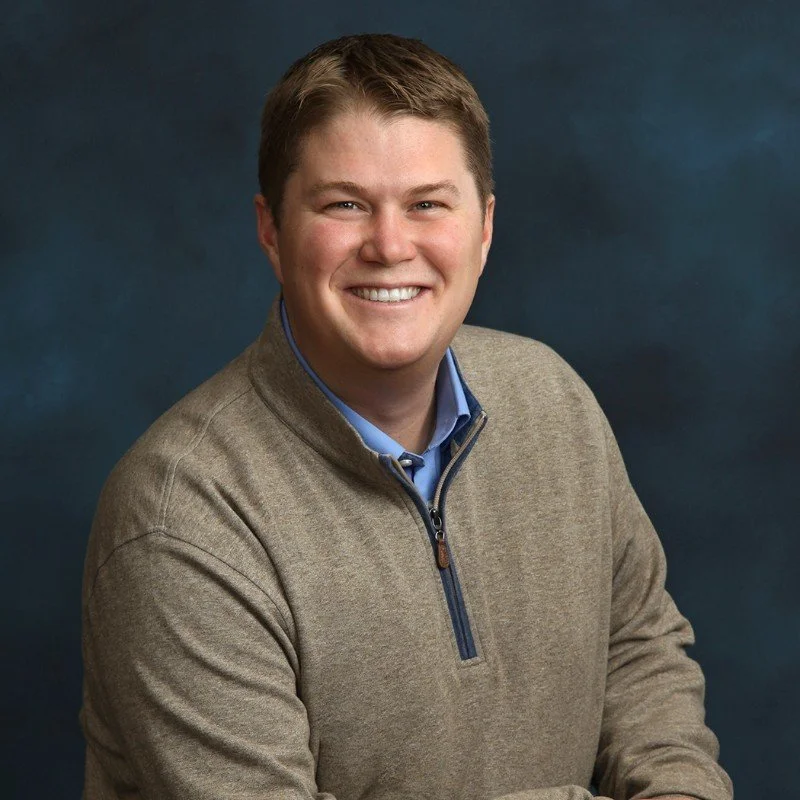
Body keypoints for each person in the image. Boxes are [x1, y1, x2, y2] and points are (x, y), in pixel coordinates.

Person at [80, 33, 733, 800]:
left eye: (427, 204)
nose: (390, 246)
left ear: (483, 229)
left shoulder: (553, 400)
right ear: (271, 230)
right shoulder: (182, 517)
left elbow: (641, 653)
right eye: (345, 205)